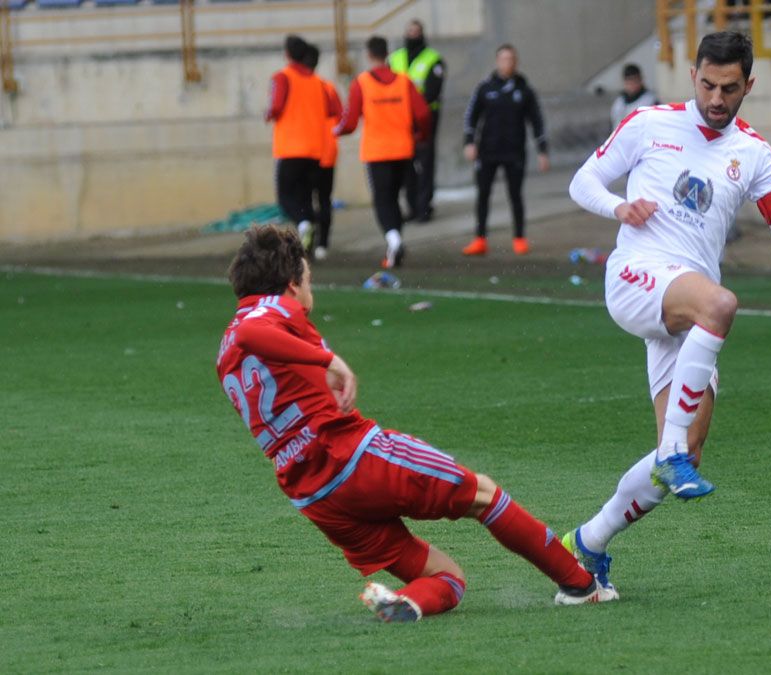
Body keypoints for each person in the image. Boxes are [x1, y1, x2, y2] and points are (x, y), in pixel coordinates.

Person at [564, 31, 771, 588]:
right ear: (692, 75)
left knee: (685, 457)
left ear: (749, 84)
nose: (716, 98)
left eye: (729, 88)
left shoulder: (754, 153)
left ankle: (588, 542)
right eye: (707, 84)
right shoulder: (650, 124)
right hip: (637, 277)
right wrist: (620, 206)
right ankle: (671, 447)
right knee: (721, 304)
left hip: (685, 308)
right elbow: (584, 181)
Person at [216, 226, 617, 622]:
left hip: (316, 497)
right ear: (291, 284)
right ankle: (581, 586)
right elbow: (255, 332)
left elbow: (250, 341)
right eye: (309, 280)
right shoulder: (271, 311)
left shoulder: (226, 348)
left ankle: (409, 603)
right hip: (353, 458)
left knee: (446, 577)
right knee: (483, 493)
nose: (309, 290)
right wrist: (329, 361)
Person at [335, 36, 432, 269]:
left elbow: (349, 122)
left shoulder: (362, 83)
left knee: (383, 200)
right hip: (403, 149)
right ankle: (395, 244)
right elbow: (423, 114)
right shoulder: (404, 81)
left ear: (369, 55)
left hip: (377, 152)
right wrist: (422, 136)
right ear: (387, 53)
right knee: (395, 198)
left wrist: (334, 130)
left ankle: (393, 238)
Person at [462, 44, 549, 257]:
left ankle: (519, 238)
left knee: (515, 195)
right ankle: (480, 238)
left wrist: (542, 151)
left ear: (515, 62)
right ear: (496, 61)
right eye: (502, 59)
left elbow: (536, 121)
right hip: (488, 151)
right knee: (483, 194)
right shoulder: (485, 88)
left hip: (514, 151)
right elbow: (471, 116)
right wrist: (469, 142)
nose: (506, 63)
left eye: (510, 59)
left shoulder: (524, 90)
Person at [266, 35, 333, 250]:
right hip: (315, 149)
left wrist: (269, 114)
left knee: (286, 198)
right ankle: (310, 237)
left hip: (290, 147)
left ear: (287, 53)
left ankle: (305, 224)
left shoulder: (283, 76)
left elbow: (276, 106)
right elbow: (332, 111)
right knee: (305, 195)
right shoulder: (319, 82)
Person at [389, 20, 445, 223]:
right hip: (401, 120)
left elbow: (432, 92)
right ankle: (412, 206)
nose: (413, 35)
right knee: (406, 166)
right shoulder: (395, 58)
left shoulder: (433, 59)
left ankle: (424, 207)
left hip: (425, 119)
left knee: (425, 163)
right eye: (410, 31)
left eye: (416, 31)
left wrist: (414, 109)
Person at [302, 44, 342, 262]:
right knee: (324, 199)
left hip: (308, 151)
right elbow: (340, 114)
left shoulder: (304, 87)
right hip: (328, 151)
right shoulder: (327, 87)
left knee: (305, 198)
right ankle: (323, 244)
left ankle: (307, 236)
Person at [610, 63, 659, 130]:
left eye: (634, 80)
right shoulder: (619, 102)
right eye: (629, 81)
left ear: (640, 80)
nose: (632, 85)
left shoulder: (651, 101)